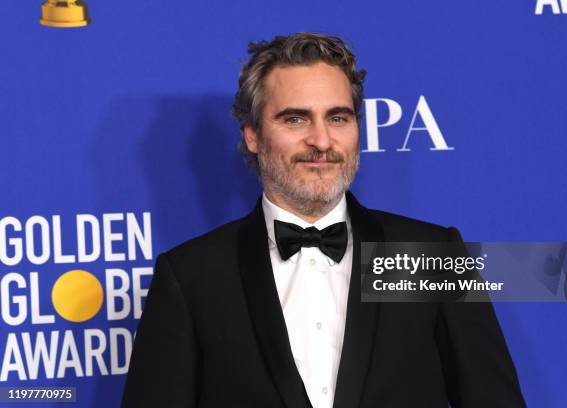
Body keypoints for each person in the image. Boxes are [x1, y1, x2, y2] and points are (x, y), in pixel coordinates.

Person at [122, 32, 525, 408]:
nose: (321, 141)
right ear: (252, 135)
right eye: (295, 119)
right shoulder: (190, 277)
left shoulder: (428, 256)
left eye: (337, 118)